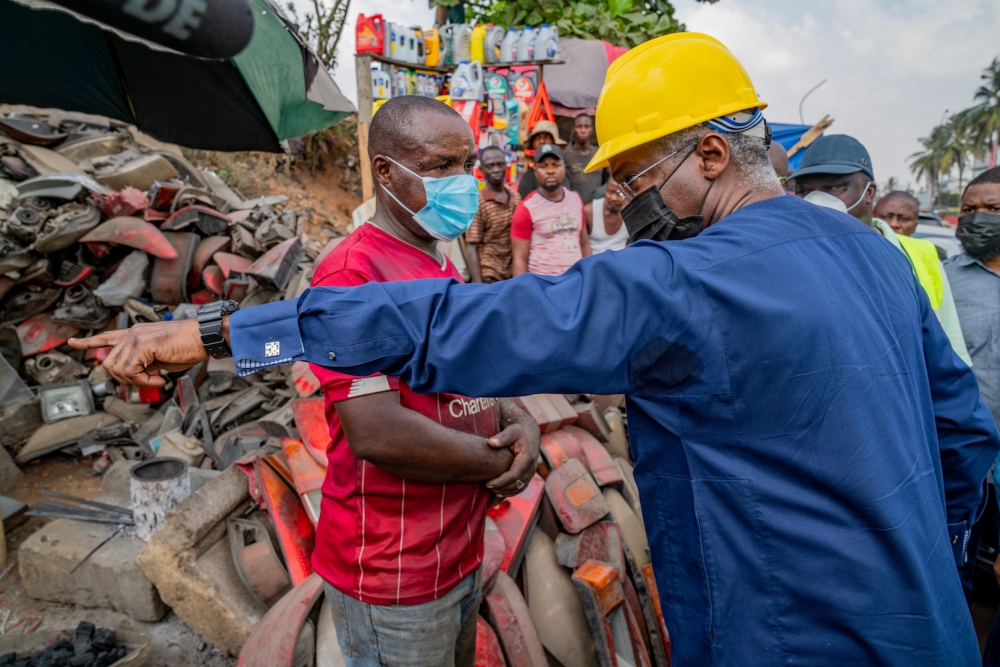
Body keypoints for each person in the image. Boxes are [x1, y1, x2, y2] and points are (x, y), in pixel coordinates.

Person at [69, 33, 1000, 667]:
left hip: (785, 632)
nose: (630, 202)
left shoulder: (685, 282)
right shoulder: (875, 258)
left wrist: (229, 329)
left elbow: (466, 329)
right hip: (928, 624)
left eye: (638, 175)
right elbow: (963, 438)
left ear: (712, 157)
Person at [210, 97, 546, 667]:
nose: (461, 182)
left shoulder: (438, 258)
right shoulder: (352, 272)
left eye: (465, 164)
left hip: (456, 553)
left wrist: (519, 418)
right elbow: (377, 432)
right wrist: (505, 464)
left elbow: (469, 369)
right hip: (395, 573)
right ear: (386, 172)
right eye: (441, 167)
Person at [793, 134, 971, 366]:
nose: (816, 200)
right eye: (805, 191)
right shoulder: (795, 256)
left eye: (834, 188)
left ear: (869, 192)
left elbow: (952, 354)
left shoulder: (921, 254)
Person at [943, 167, 1000, 628]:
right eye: (968, 210)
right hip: (964, 458)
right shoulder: (941, 282)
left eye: (993, 210)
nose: (977, 219)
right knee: (955, 565)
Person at [510, 143, 592, 276]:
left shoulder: (576, 200)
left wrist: (590, 276)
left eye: (555, 165)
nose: (550, 171)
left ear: (564, 168)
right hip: (543, 288)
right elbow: (520, 260)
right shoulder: (526, 208)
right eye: (543, 166)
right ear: (535, 171)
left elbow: (584, 244)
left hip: (576, 284)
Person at [466, 146, 521, 283]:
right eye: (490, 166)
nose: (496, 170)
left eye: (499, 164)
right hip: (489, 274)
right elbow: (472, 246)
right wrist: (478, 286)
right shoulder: (479, 202)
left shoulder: (515, 197)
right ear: (482, 169)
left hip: (513, 273)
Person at [516, 119, 571, 199]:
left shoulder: (565, 173)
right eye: (537, 138)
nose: (542, 141)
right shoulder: (528, 179)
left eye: (547, 137)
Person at [563, 114, 608, 205]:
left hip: (597, 207)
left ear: (592, 129)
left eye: (586, 126)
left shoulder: (600, 154)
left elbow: (606, 181)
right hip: (575, 207)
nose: (583, 131)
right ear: (573, 129)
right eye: (579, 126)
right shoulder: (565, 155)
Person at [585, 176, 629, 253]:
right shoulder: (589, 212)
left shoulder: (631, 214)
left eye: (619, 194)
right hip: (594, 262)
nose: (613, 198)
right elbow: (582, 245)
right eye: (610, 192)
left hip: (619, 263)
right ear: (605, 189)